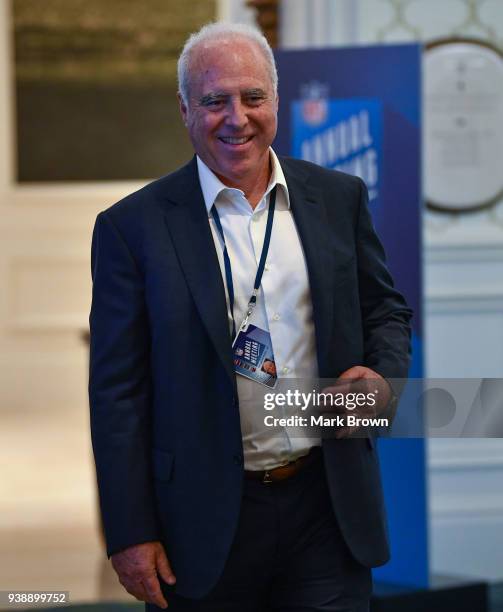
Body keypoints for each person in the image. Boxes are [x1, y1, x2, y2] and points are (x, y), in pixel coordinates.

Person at [89, 22, 412, 612]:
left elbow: (385, 310)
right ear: (185, 109)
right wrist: (130, 529)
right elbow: (117, 394)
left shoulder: (338, 198)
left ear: (276, 102)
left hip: (329, 504)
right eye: (215, 101)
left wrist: (383, 383)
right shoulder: (131, 228)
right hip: (203, 520)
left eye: (253, 97)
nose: (237, 117)